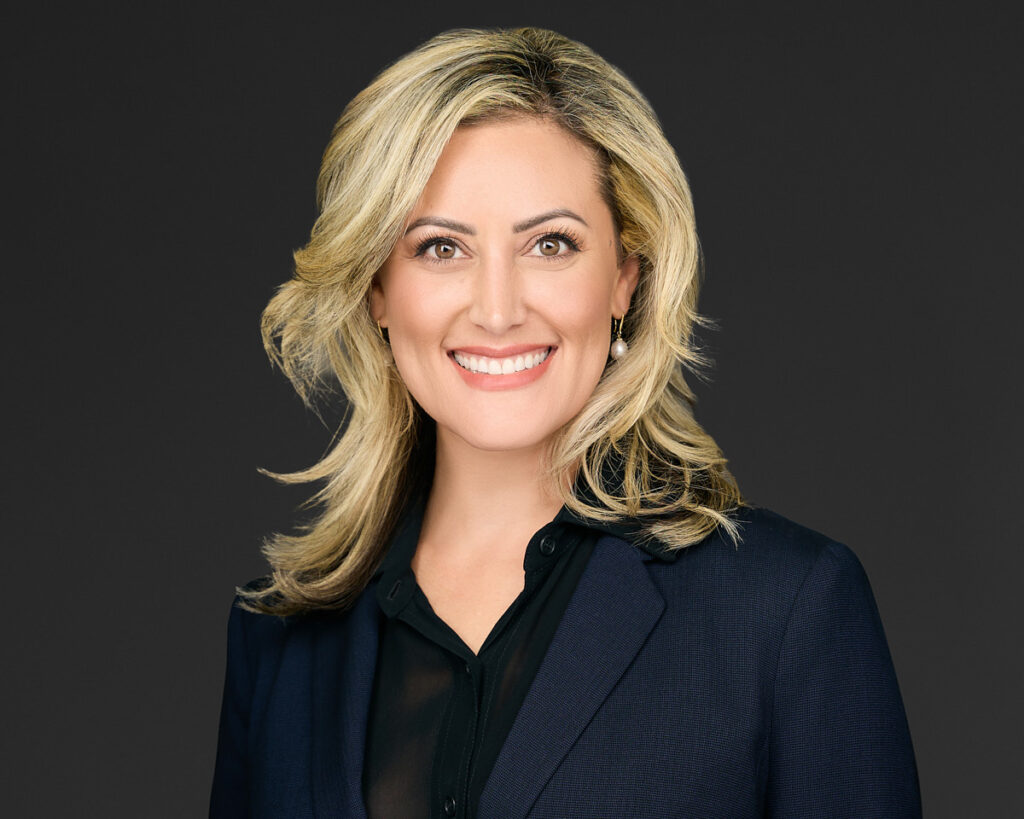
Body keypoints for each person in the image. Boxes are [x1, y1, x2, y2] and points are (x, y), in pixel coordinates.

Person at [210, 27, 921, 818]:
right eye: (441, 248)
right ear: (378, 290)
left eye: (550, 244)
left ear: (625, 278)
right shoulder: (278, 638)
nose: (498, 308)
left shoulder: (784, 611)